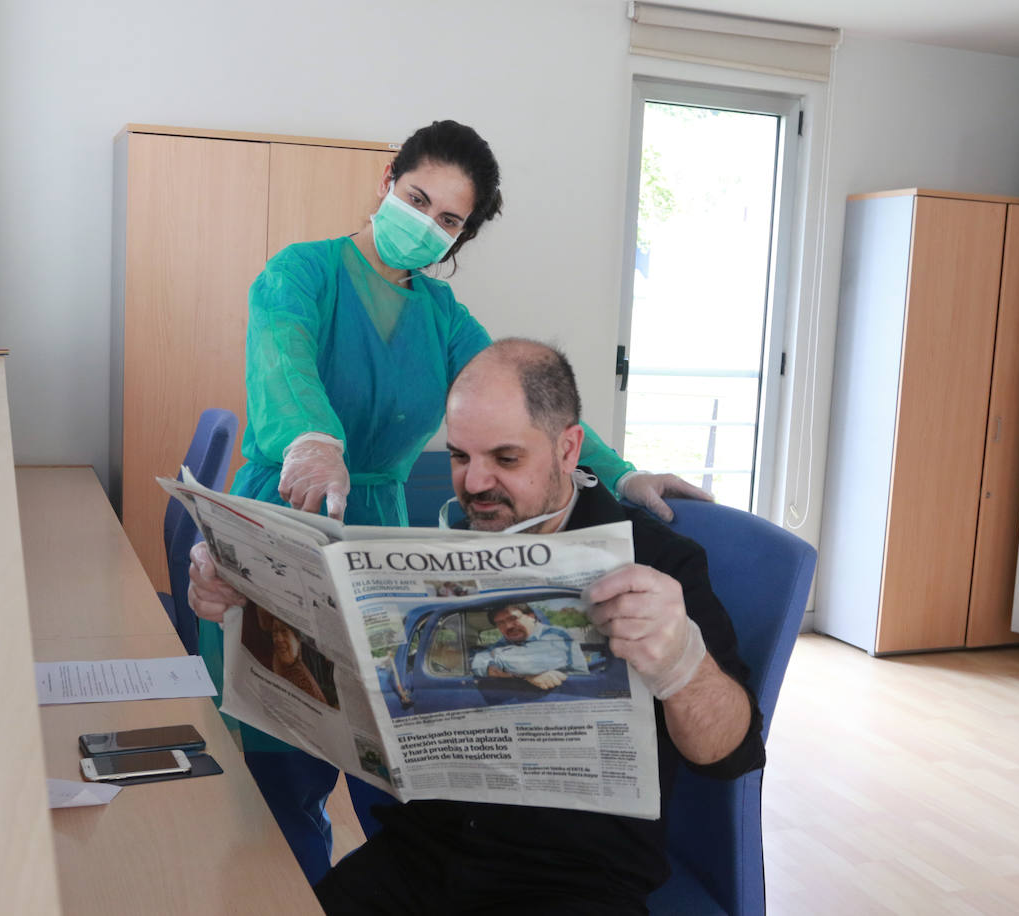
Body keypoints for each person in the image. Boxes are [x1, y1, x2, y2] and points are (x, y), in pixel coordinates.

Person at [189, 120, 712, 885]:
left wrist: (624, 474)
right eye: (417, 198)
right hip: (289, 515)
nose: (426, 224)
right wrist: (309, 437)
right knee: (282, 772)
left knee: (397, 765)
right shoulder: (301, 273)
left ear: (460, 235)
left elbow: (531, 405)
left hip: (381, 539)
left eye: (448, 219)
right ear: (386, 183)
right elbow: (284, 360)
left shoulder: (441, 318)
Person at [307, 338, 765, 914]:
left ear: (568, 449)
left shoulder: (654, 560)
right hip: (421, 856)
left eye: (505, 459)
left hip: (571, 883)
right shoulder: (444, 548)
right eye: (459, 456)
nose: (474, 484)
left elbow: (732, 754)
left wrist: (685, 667)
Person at [470, 603, 589, 689]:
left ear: (531, 616)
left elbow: (527, 664)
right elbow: (476, 662)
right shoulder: (505, 641)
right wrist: (527, 677)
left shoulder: (557, 635)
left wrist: (496, 663)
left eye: (513, 618)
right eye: (500, 623)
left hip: (572, 695)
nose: (508, 626)